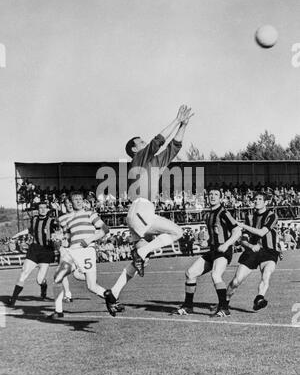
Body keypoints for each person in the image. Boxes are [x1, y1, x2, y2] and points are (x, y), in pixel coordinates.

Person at [105, 105, 194, 316]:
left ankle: (113, 293)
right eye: (141, 142)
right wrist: (175, 119)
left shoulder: (154, 162)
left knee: (139, 262)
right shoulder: (138, 158)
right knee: (177, 232)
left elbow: (174, 146)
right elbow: (158, 141)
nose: (145, 144)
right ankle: (143, 251)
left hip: (136, 213)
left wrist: (183, 125)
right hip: (141, 209)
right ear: (135, 149)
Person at [48, 191, 123, 319]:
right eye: (75, 200)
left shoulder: (90, 214)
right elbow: (67, 236)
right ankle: (58, 311)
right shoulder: (66, 219)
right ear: (70, 203)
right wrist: (59, 239)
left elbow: (105, 229)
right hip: (72, 251)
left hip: (87, 250)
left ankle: (108, 296)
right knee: (57, 278)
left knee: (91, 286)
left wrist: (90, 238)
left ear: (83, 201)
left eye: (80, 199)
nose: (78, 201)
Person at [174, 189, 241, 318]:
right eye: (210, 194)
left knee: (216, 275)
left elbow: (237, 231)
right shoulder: (209, 214)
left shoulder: (224, 213)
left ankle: (224, 308)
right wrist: (206, 242)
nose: (212, 196)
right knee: (190, 273)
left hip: (223, 251)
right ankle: (188, 306)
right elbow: (215, 235)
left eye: (216, 195)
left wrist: (226, 244)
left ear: (221, 198)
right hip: (213, 250)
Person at [226, 193, 279, 311]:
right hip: (252, 252)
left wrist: (243, 225)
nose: (256, 201)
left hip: (269, 251)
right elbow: (243, 240)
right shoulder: (249, 218)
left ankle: (259, 299)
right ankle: (224, 302)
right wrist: (250, 245)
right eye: (255, 199)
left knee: (266, 275)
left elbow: (261, 232)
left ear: (266, 203)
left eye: (260, 199)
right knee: (236, 281)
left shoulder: (272, 216)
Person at [7, 202, 57, 306]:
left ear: (48, 209)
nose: (42, 210)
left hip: (46, 251)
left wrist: (56, 240)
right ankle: (13, 299)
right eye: (40, 208)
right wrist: (16, 235)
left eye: (44, 208)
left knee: (39, 280)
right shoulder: (34, 219)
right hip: (34, 249)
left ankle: (43, 287)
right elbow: (30, 230)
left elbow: (58, 234)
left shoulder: (52, 221)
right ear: (37, 210)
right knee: (24, 273)